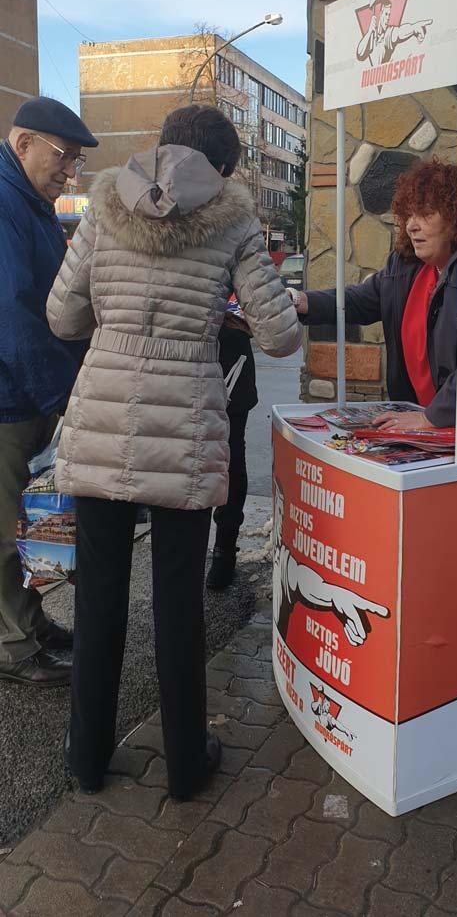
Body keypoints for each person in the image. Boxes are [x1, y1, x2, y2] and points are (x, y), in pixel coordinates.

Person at [46, 104, 302, 800]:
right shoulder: (236, 221)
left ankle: (87, 761)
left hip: (100, 423)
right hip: (184, 433)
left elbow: (63, 316)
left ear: (161, 150)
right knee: (178, 605)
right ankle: (187, 764)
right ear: (222, 167)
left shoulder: (104, 205)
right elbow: (279, 339)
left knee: (97, 601)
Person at [293, 159, 457, 440]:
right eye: (408, 215)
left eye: (425, 214)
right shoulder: (408, 265)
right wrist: (300, 301)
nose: (412, 226)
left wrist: (430, 417)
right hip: (427, 427)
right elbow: (360, 299)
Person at [0, 96, 98, 687]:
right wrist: (56, 395)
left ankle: (29, 624)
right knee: (8, 527)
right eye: (63, 156)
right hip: (10, 397)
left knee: (23, 522)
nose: (70, 171)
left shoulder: (28, 201)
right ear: (23, 143)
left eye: (77, 161)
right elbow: (9, 312)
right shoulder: (5, 202)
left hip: (23, 392)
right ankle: (13, 646)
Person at [206, 314, 257, 590]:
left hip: (228, 345)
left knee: (230, 456)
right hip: (188, 345)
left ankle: (224, 549)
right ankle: (215, 551)